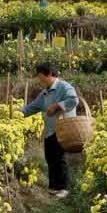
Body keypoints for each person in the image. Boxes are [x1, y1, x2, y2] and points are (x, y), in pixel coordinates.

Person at [20, 62, 78, 198]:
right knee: (50, 157)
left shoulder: (64, 87)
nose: (40, 80)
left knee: (59, 158)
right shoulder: (45, 92)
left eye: (41, 77)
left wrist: (57, 105)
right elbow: (32, 107)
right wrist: (16, 113)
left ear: (49, 74)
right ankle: (53, 187)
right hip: (50, 129)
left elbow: (74, 101)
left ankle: (64, 188)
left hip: (63, 128)